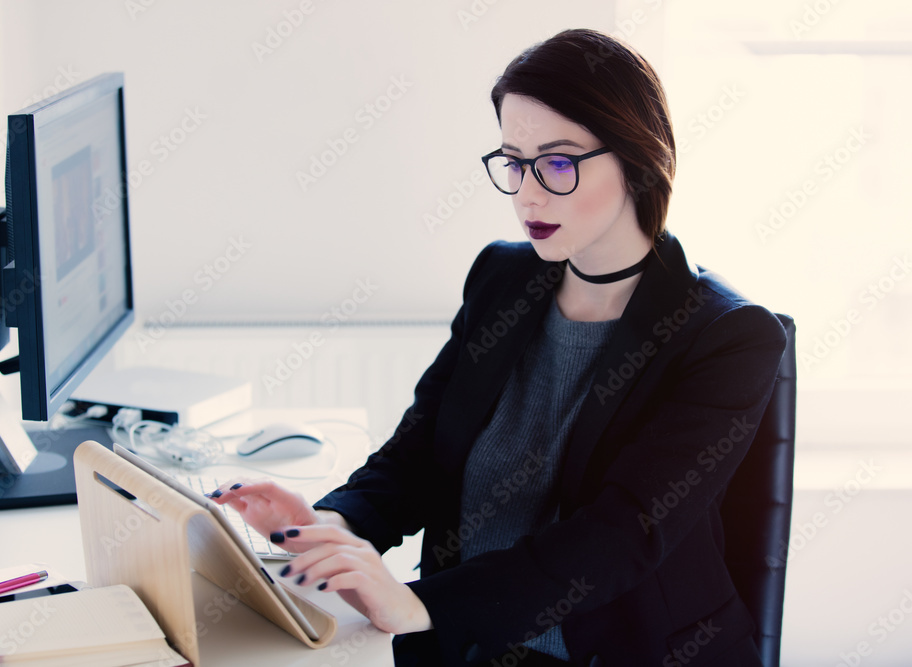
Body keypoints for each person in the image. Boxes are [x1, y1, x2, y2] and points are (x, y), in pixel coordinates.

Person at [210, 28, 787, 666]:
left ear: (638, 159)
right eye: (514, 161)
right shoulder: (502, 278)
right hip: (467, 646)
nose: (527, 193)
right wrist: (330, 527)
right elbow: (422, 451)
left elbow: (623, 535)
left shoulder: (728, 336)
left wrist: (424, 606)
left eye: (559, 163)